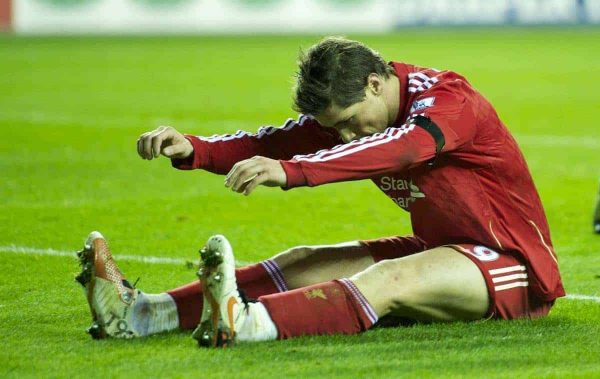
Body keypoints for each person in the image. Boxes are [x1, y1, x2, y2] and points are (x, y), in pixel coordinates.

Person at [76, 37, 565, 346]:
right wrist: (194, 149)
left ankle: (246, 324)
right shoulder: (358, 111)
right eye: (337, 128)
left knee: (390, 279)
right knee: (305, 261)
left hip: (512, 267)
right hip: (446, 250)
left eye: (351, 123)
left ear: (375, 84)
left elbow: (402, 149)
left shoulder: (450, 102)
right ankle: (142, 315)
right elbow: (277, 140)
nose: (348, 136)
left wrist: (293, 172)